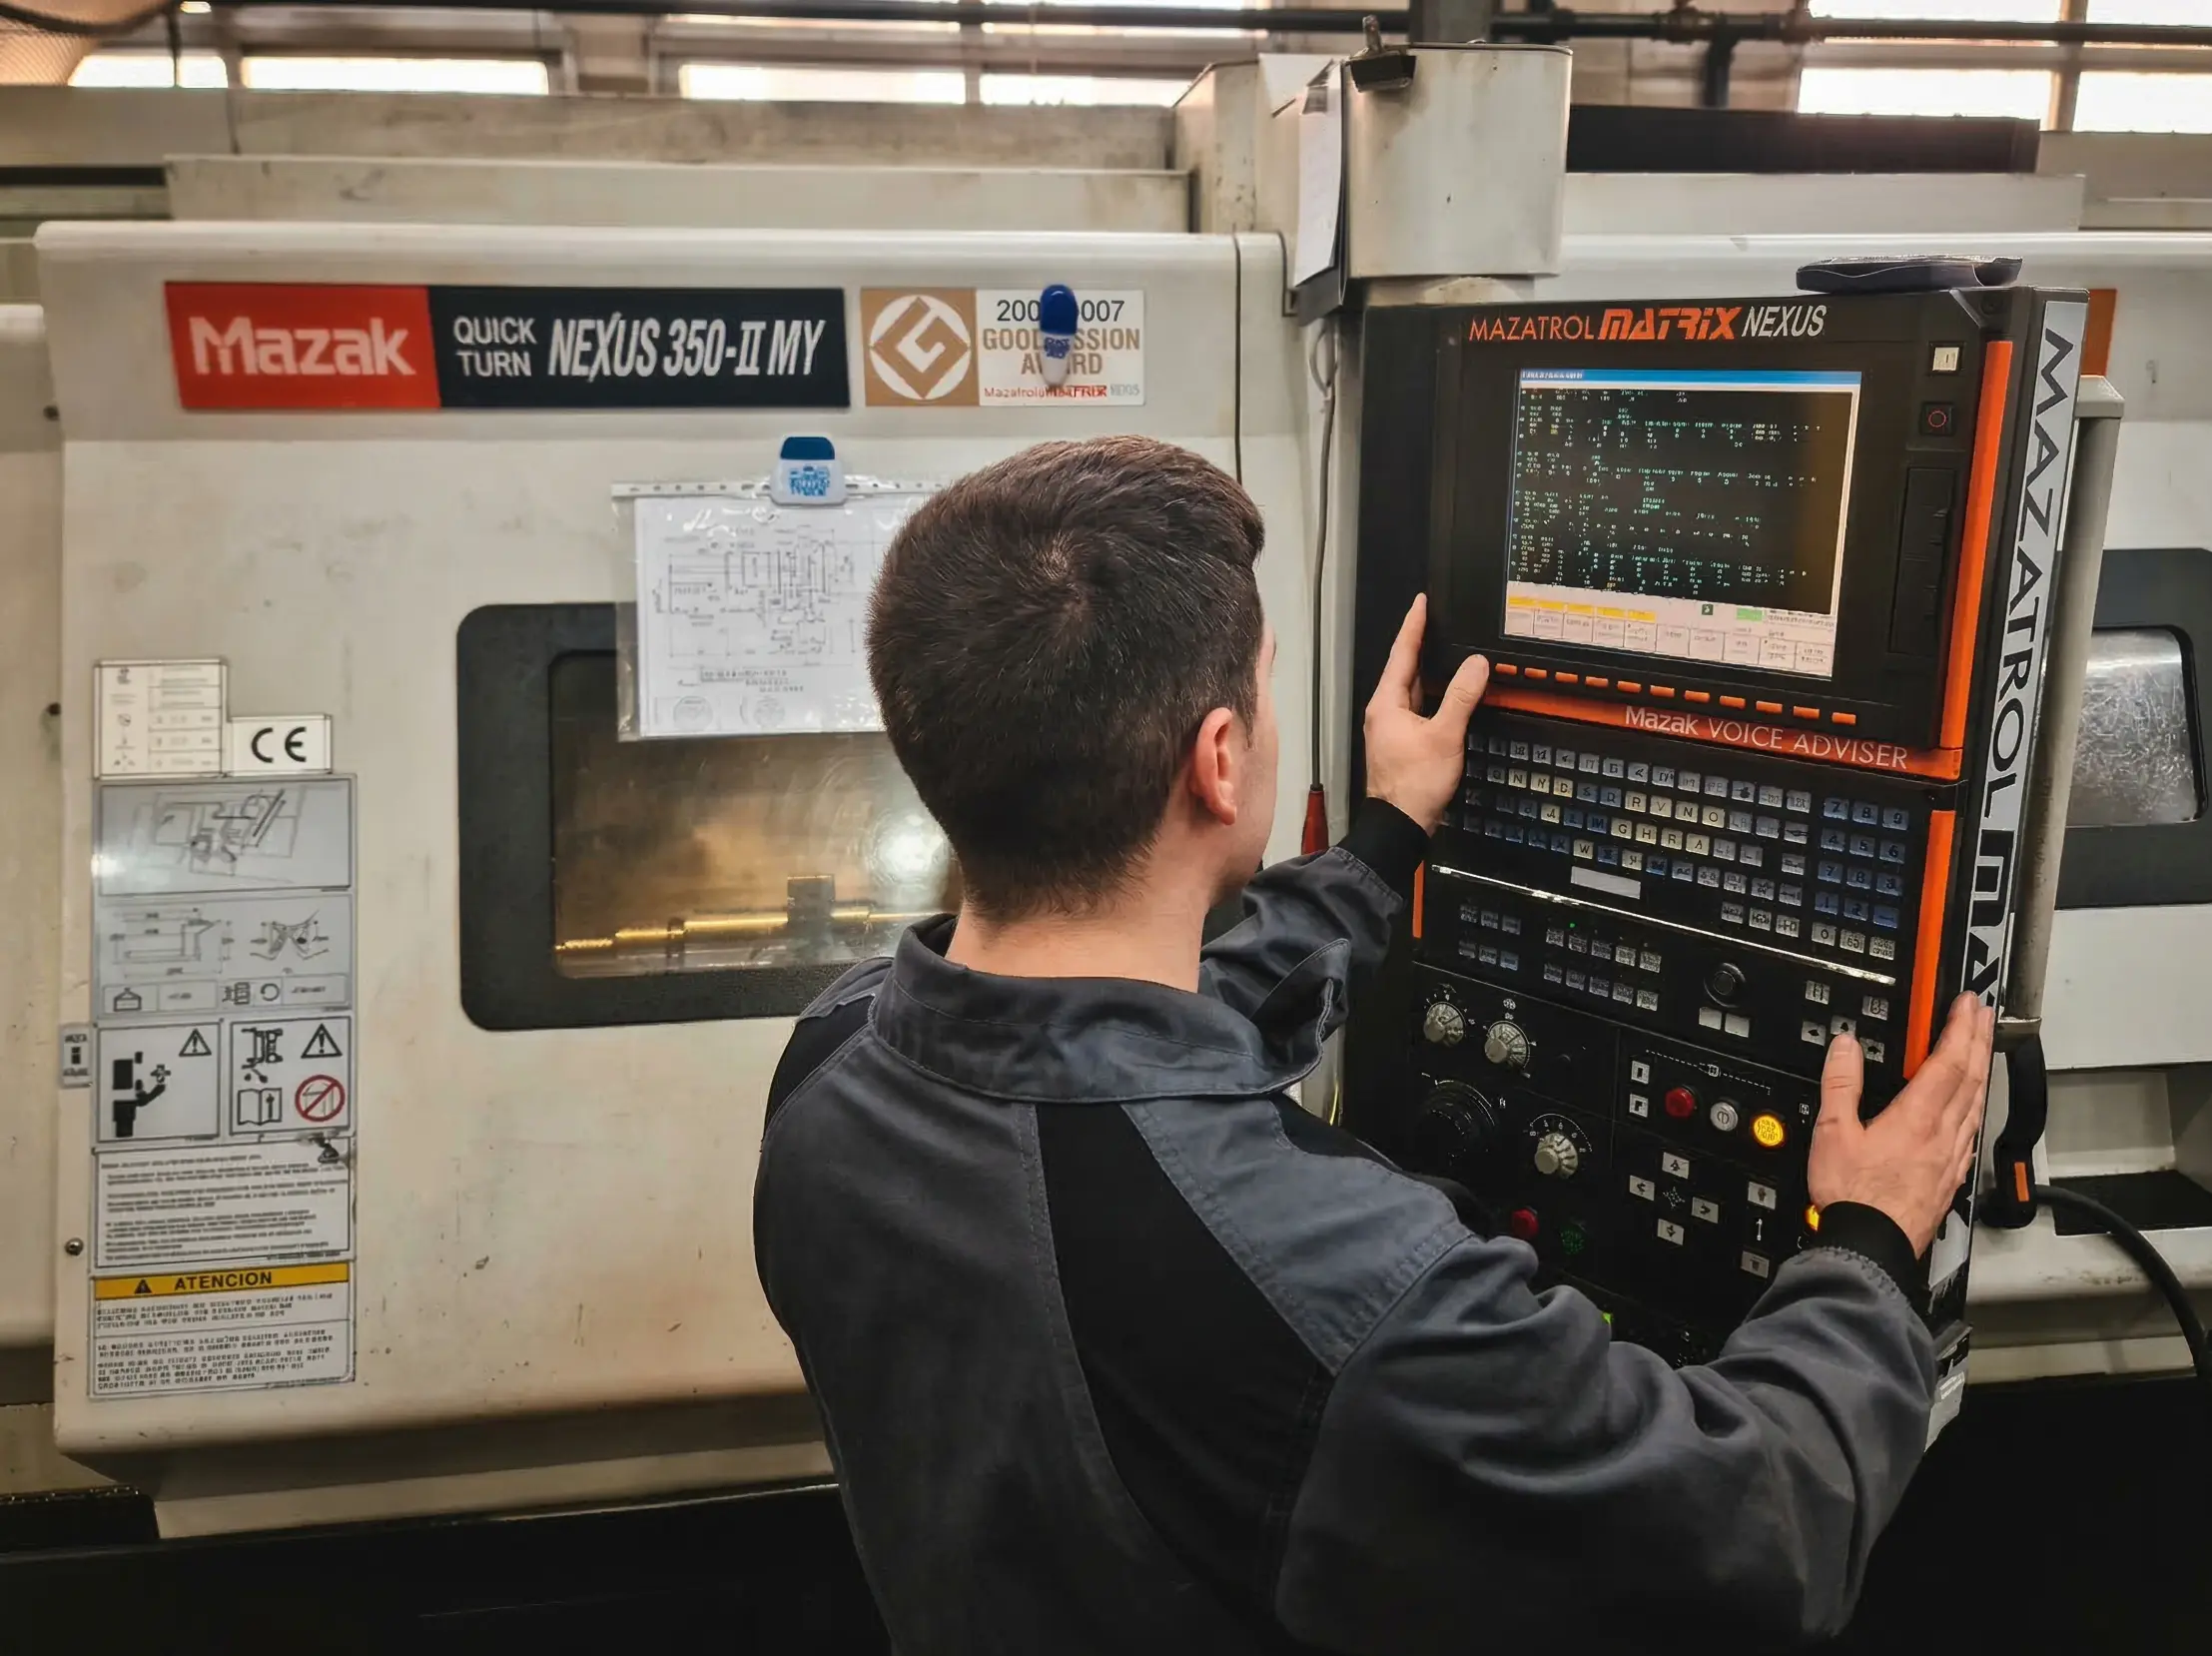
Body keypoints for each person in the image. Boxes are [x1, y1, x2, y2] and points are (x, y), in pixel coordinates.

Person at [753, 435, 1992, 1653]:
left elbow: (1115, 1045)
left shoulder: (835, 1059)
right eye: (1266, 680)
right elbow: (1757, 1533)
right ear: (1221, 761)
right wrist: (1866, 1247)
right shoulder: (1340, 1285)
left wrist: (1391, 832)